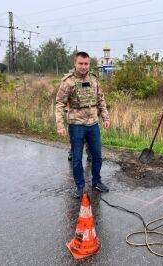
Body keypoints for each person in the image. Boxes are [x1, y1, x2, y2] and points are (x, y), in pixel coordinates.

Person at [56, 51, 111, 199]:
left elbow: (101, 100)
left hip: (93, 123)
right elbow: (60, 104)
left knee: (97, 156)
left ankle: (97, 181)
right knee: (77, 157)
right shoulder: (67, 81)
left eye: (86, 64)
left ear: (89, 64)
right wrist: (60, 125)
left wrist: (106, 117)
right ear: (75, 63)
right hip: (76, 124)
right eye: (80, 63)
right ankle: (80, 187)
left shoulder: (94, 79)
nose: (83, 66)